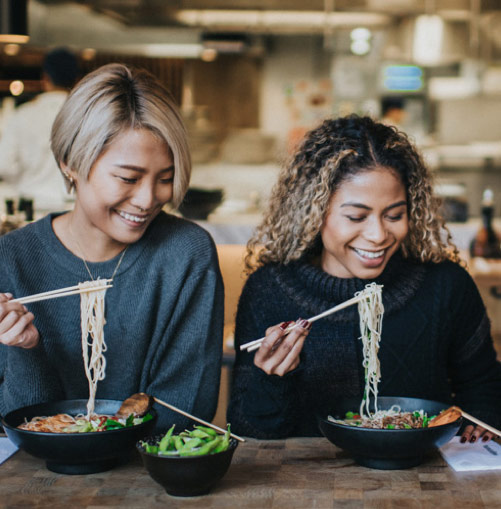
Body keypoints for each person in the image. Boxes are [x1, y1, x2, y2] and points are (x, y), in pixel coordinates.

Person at [227, 115, 501, 442]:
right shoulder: (270, 290)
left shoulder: (445, 285)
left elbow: (483, 385)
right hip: (306, 485)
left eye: (394, 215)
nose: (378, 235)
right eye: (357, 216)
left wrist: (483, 421)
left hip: (421, 477)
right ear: (314, 213)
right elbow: (248, 433)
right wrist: (271, 379)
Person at [0, 63, 224, 430]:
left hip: (151, 476)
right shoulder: (12, 259)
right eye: (128, 178)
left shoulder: (186, 254)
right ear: (70, 163)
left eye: (166, 178)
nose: (149, 198)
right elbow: (18, 424)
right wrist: (24, 350)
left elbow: (185, 413)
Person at [0, 47, 79, 211]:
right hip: (74, 207)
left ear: (45, 78)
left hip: (31, 205)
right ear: (77, 79)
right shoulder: (84, 114)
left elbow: (4, 164)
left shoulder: (23, 114)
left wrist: (24, 179)